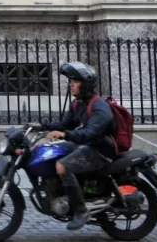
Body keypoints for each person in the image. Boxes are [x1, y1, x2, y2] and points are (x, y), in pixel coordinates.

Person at [27, 62, 116, 231]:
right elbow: (65, 124)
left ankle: (81, 210)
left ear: (86, 84)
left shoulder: (99, 106)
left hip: (100, 150)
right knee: (54, 152)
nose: (71, 84)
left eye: (75, 81)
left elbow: (91, 133)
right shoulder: (78, 104)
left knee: (62, 166)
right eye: (70, 81)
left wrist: (66, 135)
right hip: (85, 145)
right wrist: (43, 126)